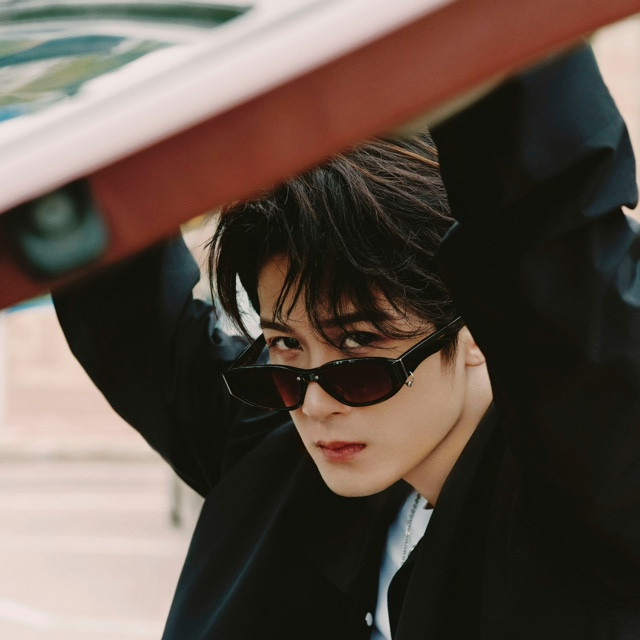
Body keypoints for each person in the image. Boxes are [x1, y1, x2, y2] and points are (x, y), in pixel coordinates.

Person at [53, 43, 640, 639]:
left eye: (358, 349)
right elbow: (115, 295)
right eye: (285, 347)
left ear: (478, 328)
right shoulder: (273, 460)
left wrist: (474, 34)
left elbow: (554, 244)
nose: (314, 404)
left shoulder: (591, 497)